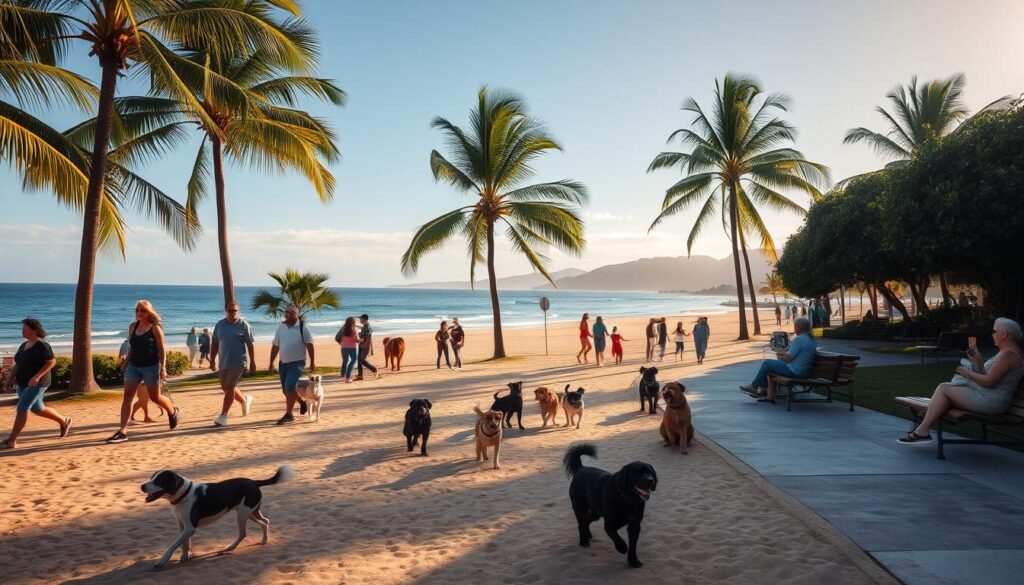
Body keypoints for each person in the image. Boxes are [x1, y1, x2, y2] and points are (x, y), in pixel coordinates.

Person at [899, 318, 1024, 444]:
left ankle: (923, 430)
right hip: (990, 397)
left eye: (995, 331)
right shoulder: (1007, 353)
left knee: (944, 389)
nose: (992, 335)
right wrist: (979, 361)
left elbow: (989, 382)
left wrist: (969, 374)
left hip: (992, 401)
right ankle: (923, 428)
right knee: (945, 391)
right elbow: (989, 377)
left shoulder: (1008, 355)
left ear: (1004, 334)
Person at [107, 301, 178, 444]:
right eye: (137, 310)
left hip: (151, 367)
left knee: (155, 397)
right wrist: (126, 363)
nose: (139, 313)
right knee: (127, 396)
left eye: (143, 311)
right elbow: (132, 348)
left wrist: (163, 369)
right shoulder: (133, 327)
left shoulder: (155, 328)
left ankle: (172, 411)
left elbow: (161, 350)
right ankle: (122, 431)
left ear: (149, 312)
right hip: (134, 367)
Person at [1, 318, 72, 449]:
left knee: (22, 408)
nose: (22, 331)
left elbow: (51, 362)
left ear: (34, 330)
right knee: (38, 409)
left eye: (24, 328)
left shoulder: (42, 345)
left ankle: (11, 440)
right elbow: (19, 363)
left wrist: (37, 376)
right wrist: (10, 376)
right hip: (23, 382)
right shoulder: (24, 345)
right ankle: (63, 420)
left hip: (38, 383)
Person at [739, 316, 816, 403]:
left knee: (767, 363)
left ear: (798, 327)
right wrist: (783, 354)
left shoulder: (799, 339)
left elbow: (788, 359)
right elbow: (795, 355)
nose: (794, 328)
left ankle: (754, 387)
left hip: (796, 371)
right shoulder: (810, 339)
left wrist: (779, 355)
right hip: (804, 371)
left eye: (795, 326)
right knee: (770, 366)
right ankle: (766, 393)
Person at [209, 302, 256, 428]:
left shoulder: (243, 325)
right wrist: (212, 360)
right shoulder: (219, 325)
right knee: (226, 388)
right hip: (224, 362)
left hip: (238, 362)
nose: (233, 313)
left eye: (235, 310)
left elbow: (250, 344)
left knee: (230, 387)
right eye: (230, 311)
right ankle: (244, 400)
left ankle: (223, 416)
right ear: (226, 311)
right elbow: (214, 342)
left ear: (238, 311)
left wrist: (252, 362)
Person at [268, 304, 315, 425]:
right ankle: (302, 403)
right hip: (283, 363)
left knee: (289, 387)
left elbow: (310, 345)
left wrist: (312, 362)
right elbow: (275, 345)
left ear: (297, 314)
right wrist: (271, 362)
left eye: (292, 312)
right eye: (286, 312)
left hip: (298, 362)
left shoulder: (303, 327)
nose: (289, 314)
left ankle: (289, 415)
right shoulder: (281, 327)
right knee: (286, 390)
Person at [356, 314, 378, 380]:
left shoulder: (367, 327)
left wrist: (364, 345)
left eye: (360, 319)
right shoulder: (364, 326)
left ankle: (374, 369)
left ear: (364, 319)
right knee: (359, 360)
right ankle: (360, 375)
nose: (360, 320)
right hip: (361, 345)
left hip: (365, 346)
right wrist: (360, 335)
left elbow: (368, 338)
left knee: (361, 360)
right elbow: (364, 336)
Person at [337, 317, 359, 382]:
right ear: (353, 322)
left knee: (345, 360)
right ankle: (348, 377)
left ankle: (343, 373)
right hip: (352, 348)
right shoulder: (354, 330)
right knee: (353, 360)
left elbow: (338, 337)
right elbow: (357, 340)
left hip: (344, 347)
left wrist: (342, 342)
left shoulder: (343, 329)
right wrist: (362, 339)